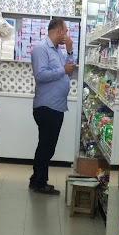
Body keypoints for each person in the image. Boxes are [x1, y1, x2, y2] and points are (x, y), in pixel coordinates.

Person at [29, 17, 77, 195]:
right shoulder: (41, 48)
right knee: (46, 146)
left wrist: (70, 51)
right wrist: (63, 70)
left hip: (57, 106)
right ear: (59, 31)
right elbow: (40, 75)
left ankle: (36, 179)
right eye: (66, 31)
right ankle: (40, 183)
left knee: (47, 146)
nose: (67, 34)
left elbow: (69, 73)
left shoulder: (57, 51)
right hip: (46, 107)